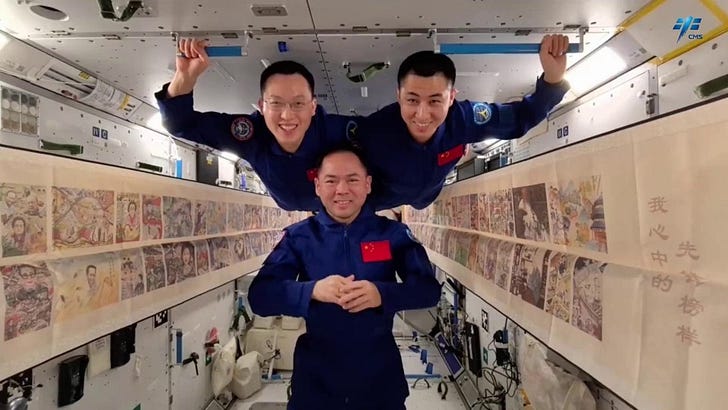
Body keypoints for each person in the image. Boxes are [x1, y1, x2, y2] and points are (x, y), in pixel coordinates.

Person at [247, 148, 441, 410]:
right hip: (316, 384)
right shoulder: (299, 238)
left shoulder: (393, 234)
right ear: (317, 186)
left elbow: (429, 291)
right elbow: (260, 296)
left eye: (352, 179)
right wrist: (312, 290)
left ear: (367, 184)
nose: (342, 190)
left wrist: (381, 294)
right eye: (331, 180)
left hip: (379, 382)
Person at [353, 34, 571, 210]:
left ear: (451, 98)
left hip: (429, 195)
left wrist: (553, 78)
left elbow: (518, 118)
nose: (422, 115)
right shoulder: (373, 132)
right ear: (398, 96)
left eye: (435, 101)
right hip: (384, 199)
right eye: (412, 100)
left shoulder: (464, 119)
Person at [155, 39, 351, 211]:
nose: (287, 115)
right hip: (287, 201)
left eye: (298, 103)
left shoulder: (335, 132)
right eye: (276, 103)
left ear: (313, 106)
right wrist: (184, 77)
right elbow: (181, 124)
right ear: (261, 106)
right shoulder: (250, 134)